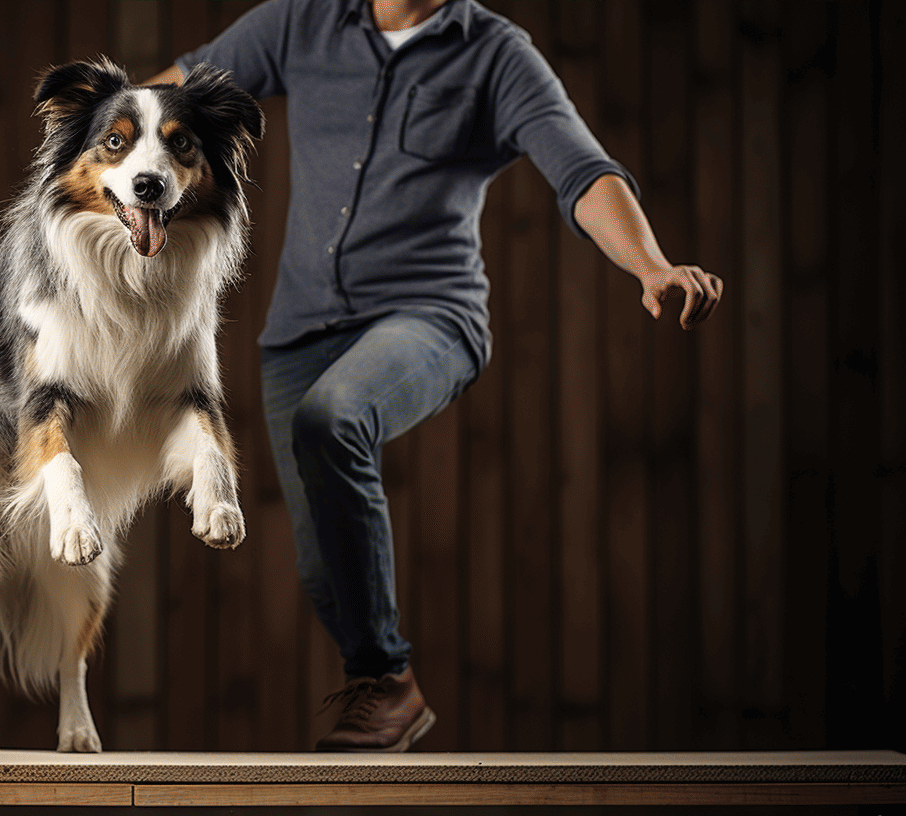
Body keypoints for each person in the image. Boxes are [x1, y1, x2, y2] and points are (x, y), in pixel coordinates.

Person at [148, 0, 723, 752]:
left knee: (335, 418)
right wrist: (100, 141)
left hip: (429, 317)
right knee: (325, 567)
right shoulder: (301, 23)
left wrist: (650, 265)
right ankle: (385, 681)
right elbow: (177, 91)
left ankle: (383, 678)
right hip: (297, 333)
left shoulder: (495, 54)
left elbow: (581, 168)